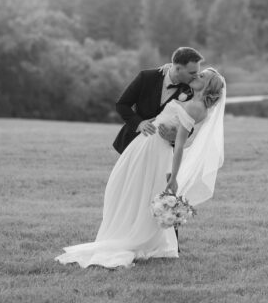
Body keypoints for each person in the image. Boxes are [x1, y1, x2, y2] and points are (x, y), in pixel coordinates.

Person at [56, 68, 226, 269]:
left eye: (202, 76)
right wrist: (169, 67)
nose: (197, 75)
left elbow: (179, 144)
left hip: (156, 150)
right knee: (127, 189)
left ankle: (135, 238)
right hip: (145, 145)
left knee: (141, 191)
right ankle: (126, 231)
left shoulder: (197, 107)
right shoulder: (190, 98)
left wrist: (174, 176)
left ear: (207, 86)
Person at [112, 47, 204, 154]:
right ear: (178, 69)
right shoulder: (146, 77)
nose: (195, 76)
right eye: (192, 73)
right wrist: (139, 124)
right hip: (133, 143)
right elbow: (122, 105)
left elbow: (189, 123)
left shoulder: (191, 91)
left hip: (163, 150)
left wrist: (175, 136)